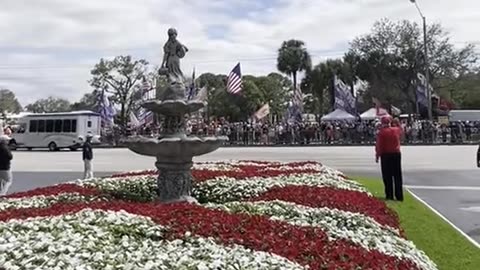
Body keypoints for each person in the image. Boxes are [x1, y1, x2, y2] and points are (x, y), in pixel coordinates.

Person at [375, 116, 403, 201]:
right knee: (397, 176)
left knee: (387, 176)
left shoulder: (381, 132)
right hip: (396, 154)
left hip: (386, 155)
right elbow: (401, 131)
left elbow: (379, 146)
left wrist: (377, 155)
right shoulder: (396, 130)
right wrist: (397, 122)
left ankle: (389, 195)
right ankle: (399, 196)